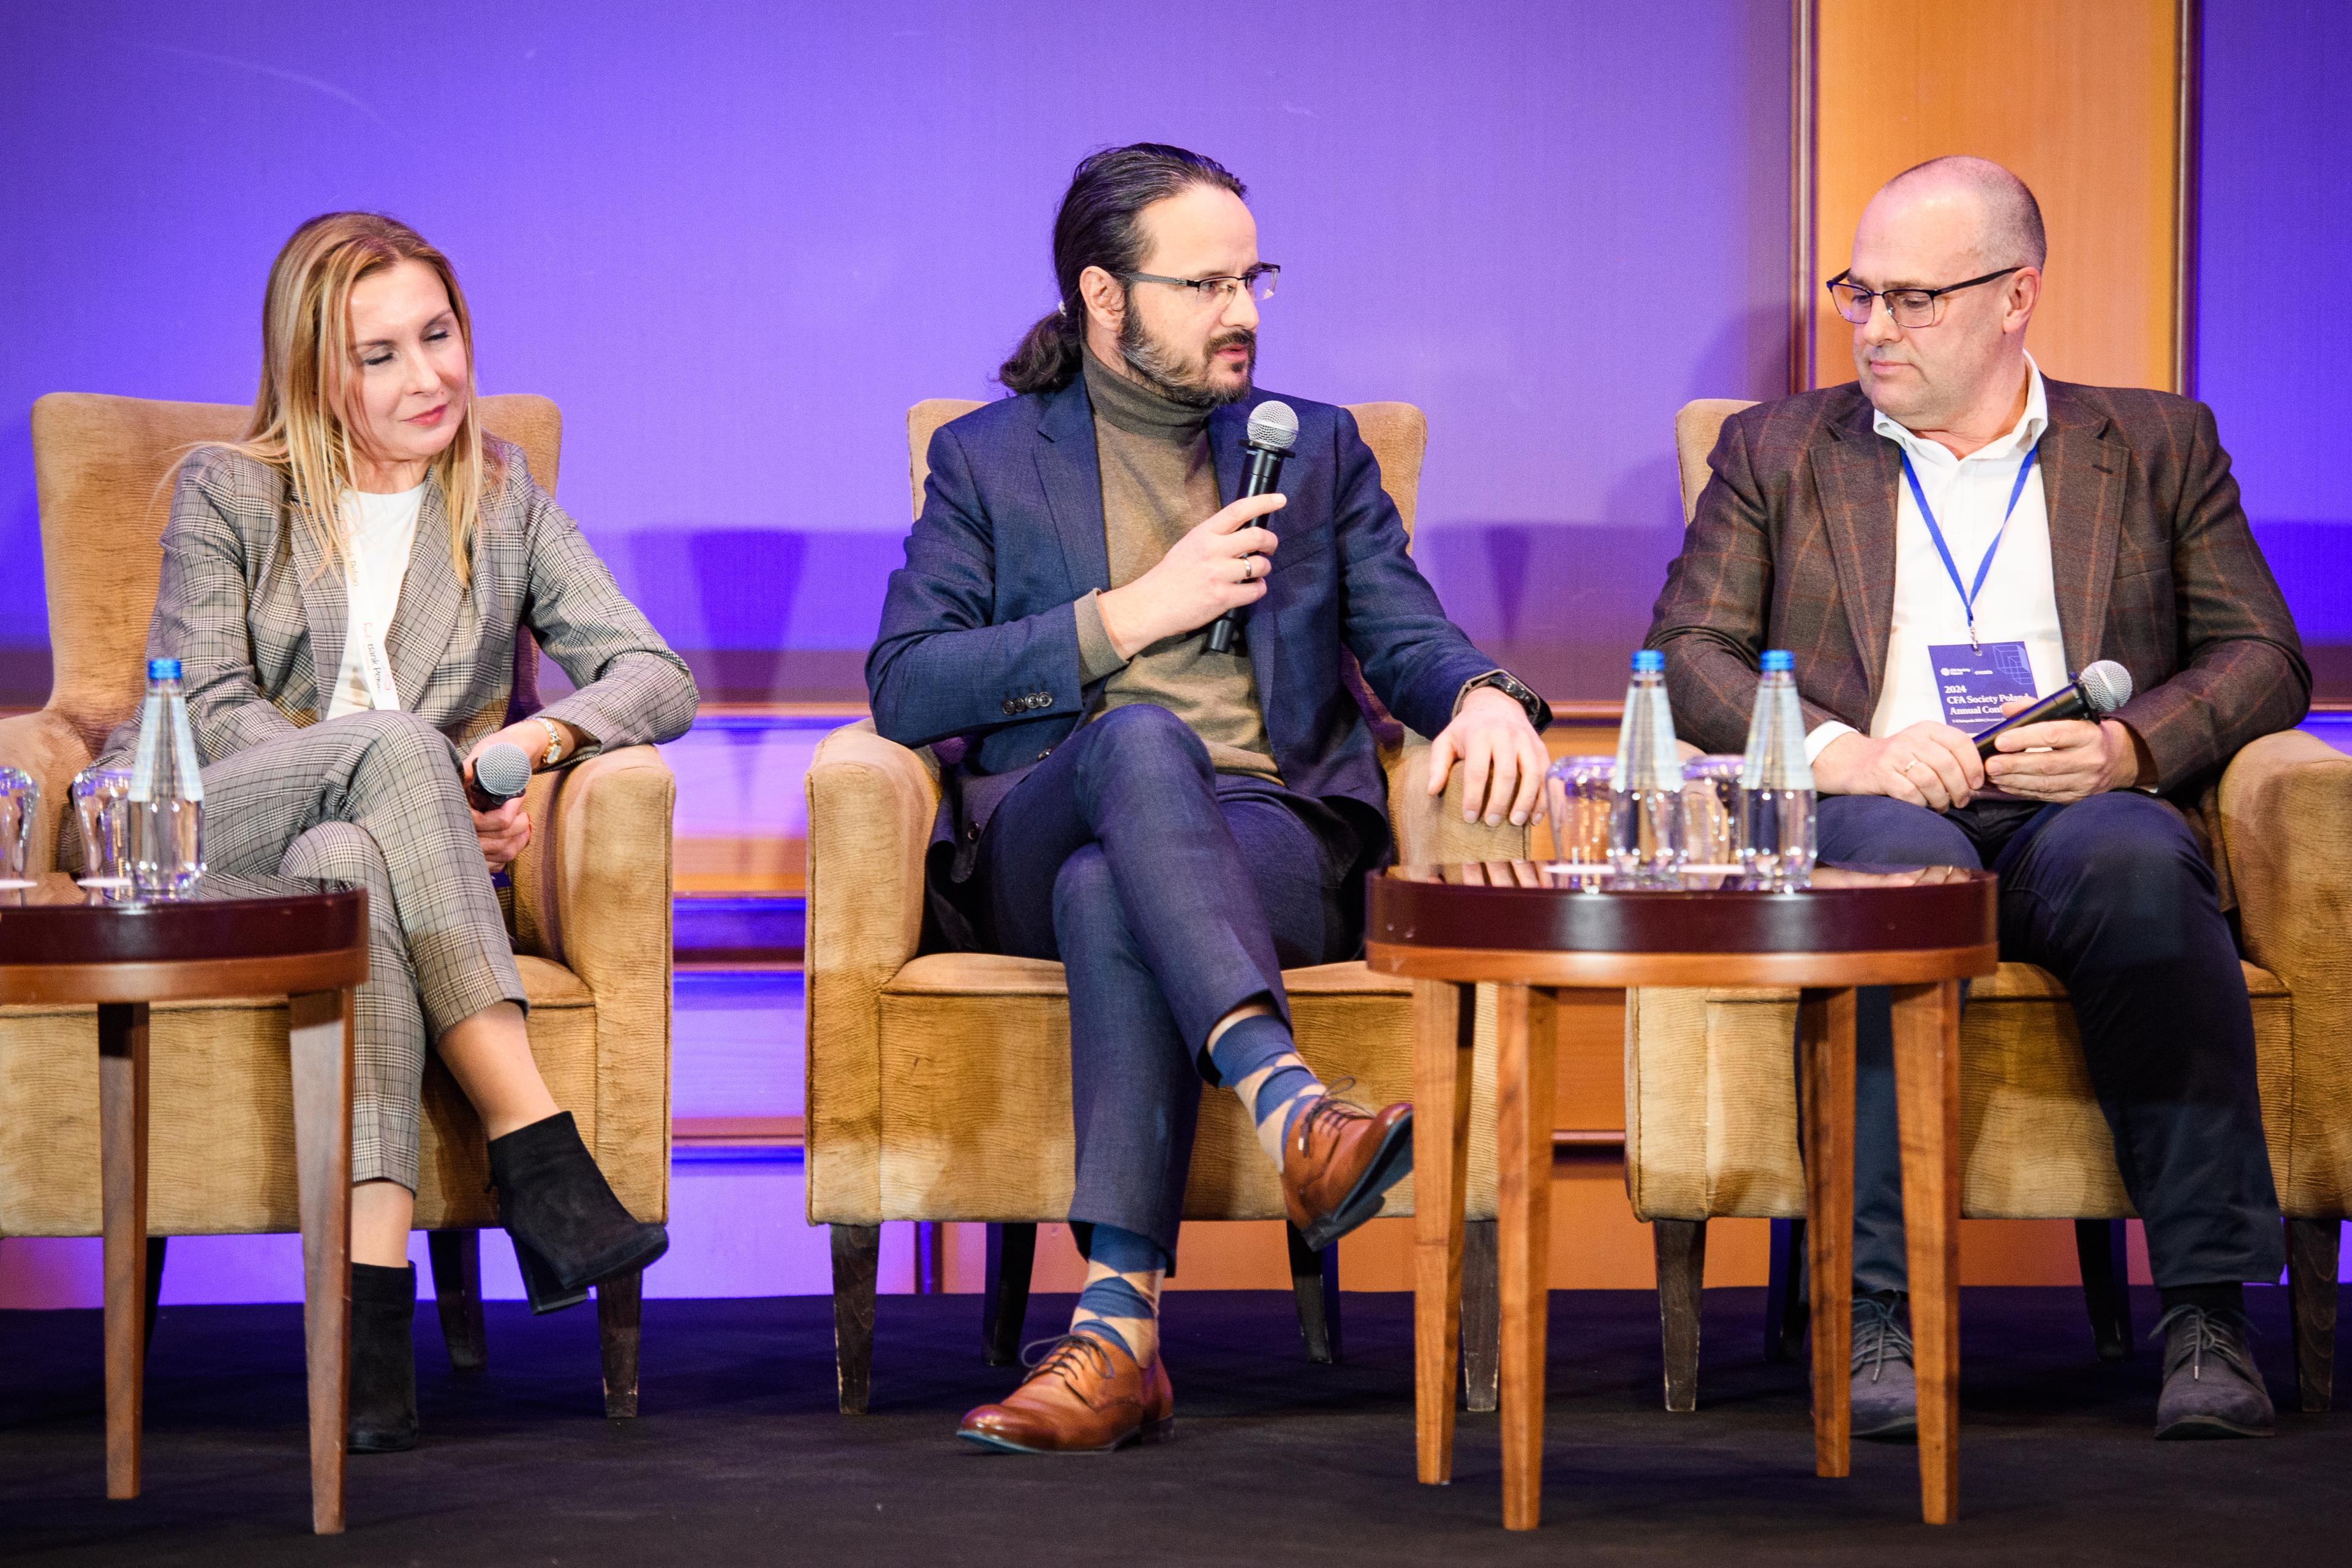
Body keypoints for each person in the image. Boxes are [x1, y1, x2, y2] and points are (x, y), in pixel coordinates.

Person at [869, 143, 1550, 1453]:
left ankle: (1116, 1335)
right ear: (1104, 298)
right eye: (1203, 284)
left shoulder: (1319, 448)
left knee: (1107, 889)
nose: (1241, 310)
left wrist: (1477, 694)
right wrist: (1127, 616)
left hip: (1270, 840)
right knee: (1132, 747)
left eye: (1255, 278)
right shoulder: (989, 459)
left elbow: (1407, 634)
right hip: (1046, 812)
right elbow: (906, 682)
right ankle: (1299, 1113)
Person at [1648, 157, 2304, 1440]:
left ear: (2018, 296)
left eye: (1914, 299)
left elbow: (2263, 654)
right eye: (1859, 293)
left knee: (2137, 861)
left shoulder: (2159, 441)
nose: (1874, 328)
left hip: (2073, 805)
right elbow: (1689, 657)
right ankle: (1876, 1307)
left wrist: (2125, 746)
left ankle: (2210, 1309)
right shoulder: (1779, 450)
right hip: (1878, 801)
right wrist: (1846, 750)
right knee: (1897, 872)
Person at [94, 212, 698, 1453]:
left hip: (350, 864)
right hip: (198, 829)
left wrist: (519, 749)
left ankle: (365, 1341)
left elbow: (656, 672)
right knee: (381, 766)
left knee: (353, 862)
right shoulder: (230, 488)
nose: (429, 375)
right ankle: (536, 1143)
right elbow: (203, 715)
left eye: (440, 334)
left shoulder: (500, 493)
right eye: (382, 353)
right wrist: (401, 767)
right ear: (319, 369)